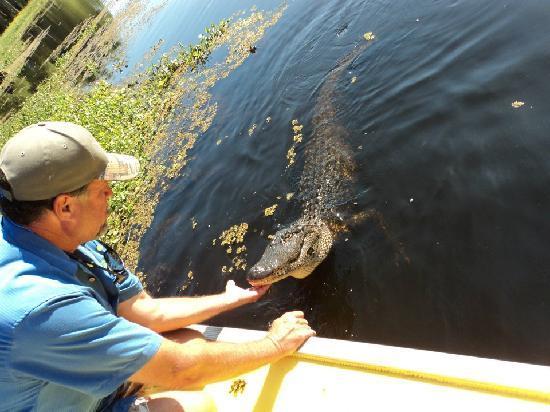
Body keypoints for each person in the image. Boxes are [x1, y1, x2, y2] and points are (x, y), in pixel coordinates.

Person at [0, 121, 315, 411]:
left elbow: (144, 313)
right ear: (65, 206)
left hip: (71, 382)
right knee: (188, 405)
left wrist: (229, 299)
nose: (110, 192)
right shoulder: (42, 309)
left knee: (189, 339)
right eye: (100, 187)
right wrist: (273, 344)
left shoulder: (50, 232)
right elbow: (182, 369)